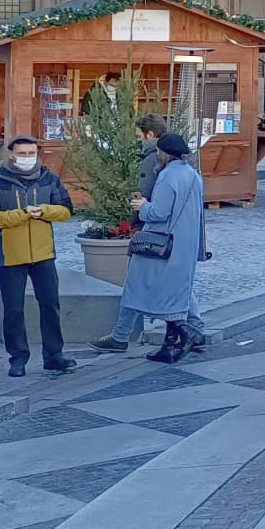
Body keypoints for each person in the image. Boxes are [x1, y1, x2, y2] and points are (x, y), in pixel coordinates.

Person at [93, 136, 206, 363]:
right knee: (178, 289)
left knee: (137, 284)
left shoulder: (168, 176)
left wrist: (142, 206)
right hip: (184, 243)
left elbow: (158, 213)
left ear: (164, 153)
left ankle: (185, 333)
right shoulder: (193, 175)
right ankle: (189, 332)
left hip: (162, 243)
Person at [0, 137, 79, 377]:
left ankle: (54, 355)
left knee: (50, 306)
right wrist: (22, 215)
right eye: (22, 153)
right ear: (12, 155)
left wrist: (45, 211)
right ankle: (18, 358)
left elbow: (66, 210)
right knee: (13, 309)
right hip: (10, 256)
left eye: (31, 152)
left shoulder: (49, 178)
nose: (27, 157)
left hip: (43, 254)